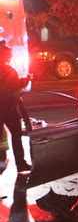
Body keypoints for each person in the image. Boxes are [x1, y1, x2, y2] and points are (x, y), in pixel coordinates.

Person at [0, 40, 31, 172]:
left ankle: (1, 162)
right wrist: (27, 79)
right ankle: (21, 164)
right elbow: (15, 86)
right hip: (8, 109)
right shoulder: (10, 71)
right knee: (16, 135)